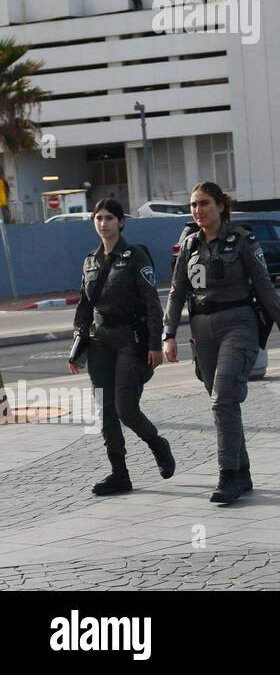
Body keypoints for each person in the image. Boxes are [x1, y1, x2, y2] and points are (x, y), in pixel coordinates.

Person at [163, 182, 280, 504]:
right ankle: (243, 472)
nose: (198, 210)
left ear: (221, 206)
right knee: (221, 403)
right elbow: (176, 292)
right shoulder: (189, 244)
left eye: (205, 203)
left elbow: (265, 286)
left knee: (223, 398)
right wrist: (168, 334)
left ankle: (228, 476)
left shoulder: (241, 240)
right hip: (202, 330)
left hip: (238, 324)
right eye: (194, 205)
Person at [69, 199, 174, 496]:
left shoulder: (136, 256)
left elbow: (153, 304)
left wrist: (155, 343)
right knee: (106, 411)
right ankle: (119, 473)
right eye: (99, 218)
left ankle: (157, 444)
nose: (104, 223)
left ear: (121, 222)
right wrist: (77, 346)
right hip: (100, 340)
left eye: (110, 218)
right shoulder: (90, 260)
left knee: (126, 409)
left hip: (130, 340)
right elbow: (84, 306)